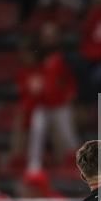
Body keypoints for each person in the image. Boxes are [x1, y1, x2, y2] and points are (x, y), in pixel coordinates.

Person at [20, 20, 79, 172]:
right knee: (37, 131)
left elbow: (71, 80)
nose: (48, 38)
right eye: (46, 35)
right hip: (41, 104)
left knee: (68, 137)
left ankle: (84, 165)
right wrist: (32, 84)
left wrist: (70, 95)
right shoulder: (36, 55)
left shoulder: (64, 57)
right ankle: (34, 167)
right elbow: (28, 78)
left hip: (59, 104)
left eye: (51, 35)